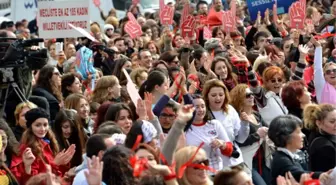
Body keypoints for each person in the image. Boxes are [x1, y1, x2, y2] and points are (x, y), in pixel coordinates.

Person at [10, 108, 75, 185]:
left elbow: (57, 174)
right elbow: (33, 181)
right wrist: (55, 164)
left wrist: (63, 165)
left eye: (45, 125)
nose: (43, 129)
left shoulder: (48, 143)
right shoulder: (27, 148)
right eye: (38, 125)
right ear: (30, 127)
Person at [268, 115, 330, 185]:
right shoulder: (280, 159)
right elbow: (297, 173)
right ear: (286, 137)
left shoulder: (297, 153)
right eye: (298, 132)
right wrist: (320, 175)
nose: (303, 135)